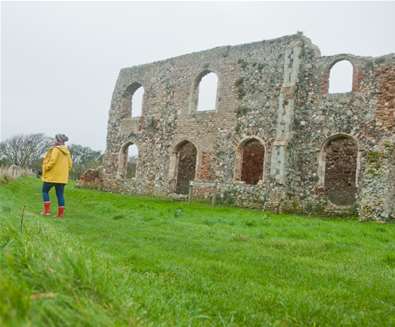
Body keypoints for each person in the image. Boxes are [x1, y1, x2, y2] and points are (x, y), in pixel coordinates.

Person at [41, 134, 72, 218]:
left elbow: (52, 161)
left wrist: (46, 167)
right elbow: (70, 165)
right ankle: (60, 215)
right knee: (60, 195)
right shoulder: (67, 152)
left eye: (54, 139)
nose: (53, 141)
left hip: (51, 177)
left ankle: (47, 211)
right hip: (62, 178)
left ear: (58, 141)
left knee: (44, 191)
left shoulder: (56, 149)